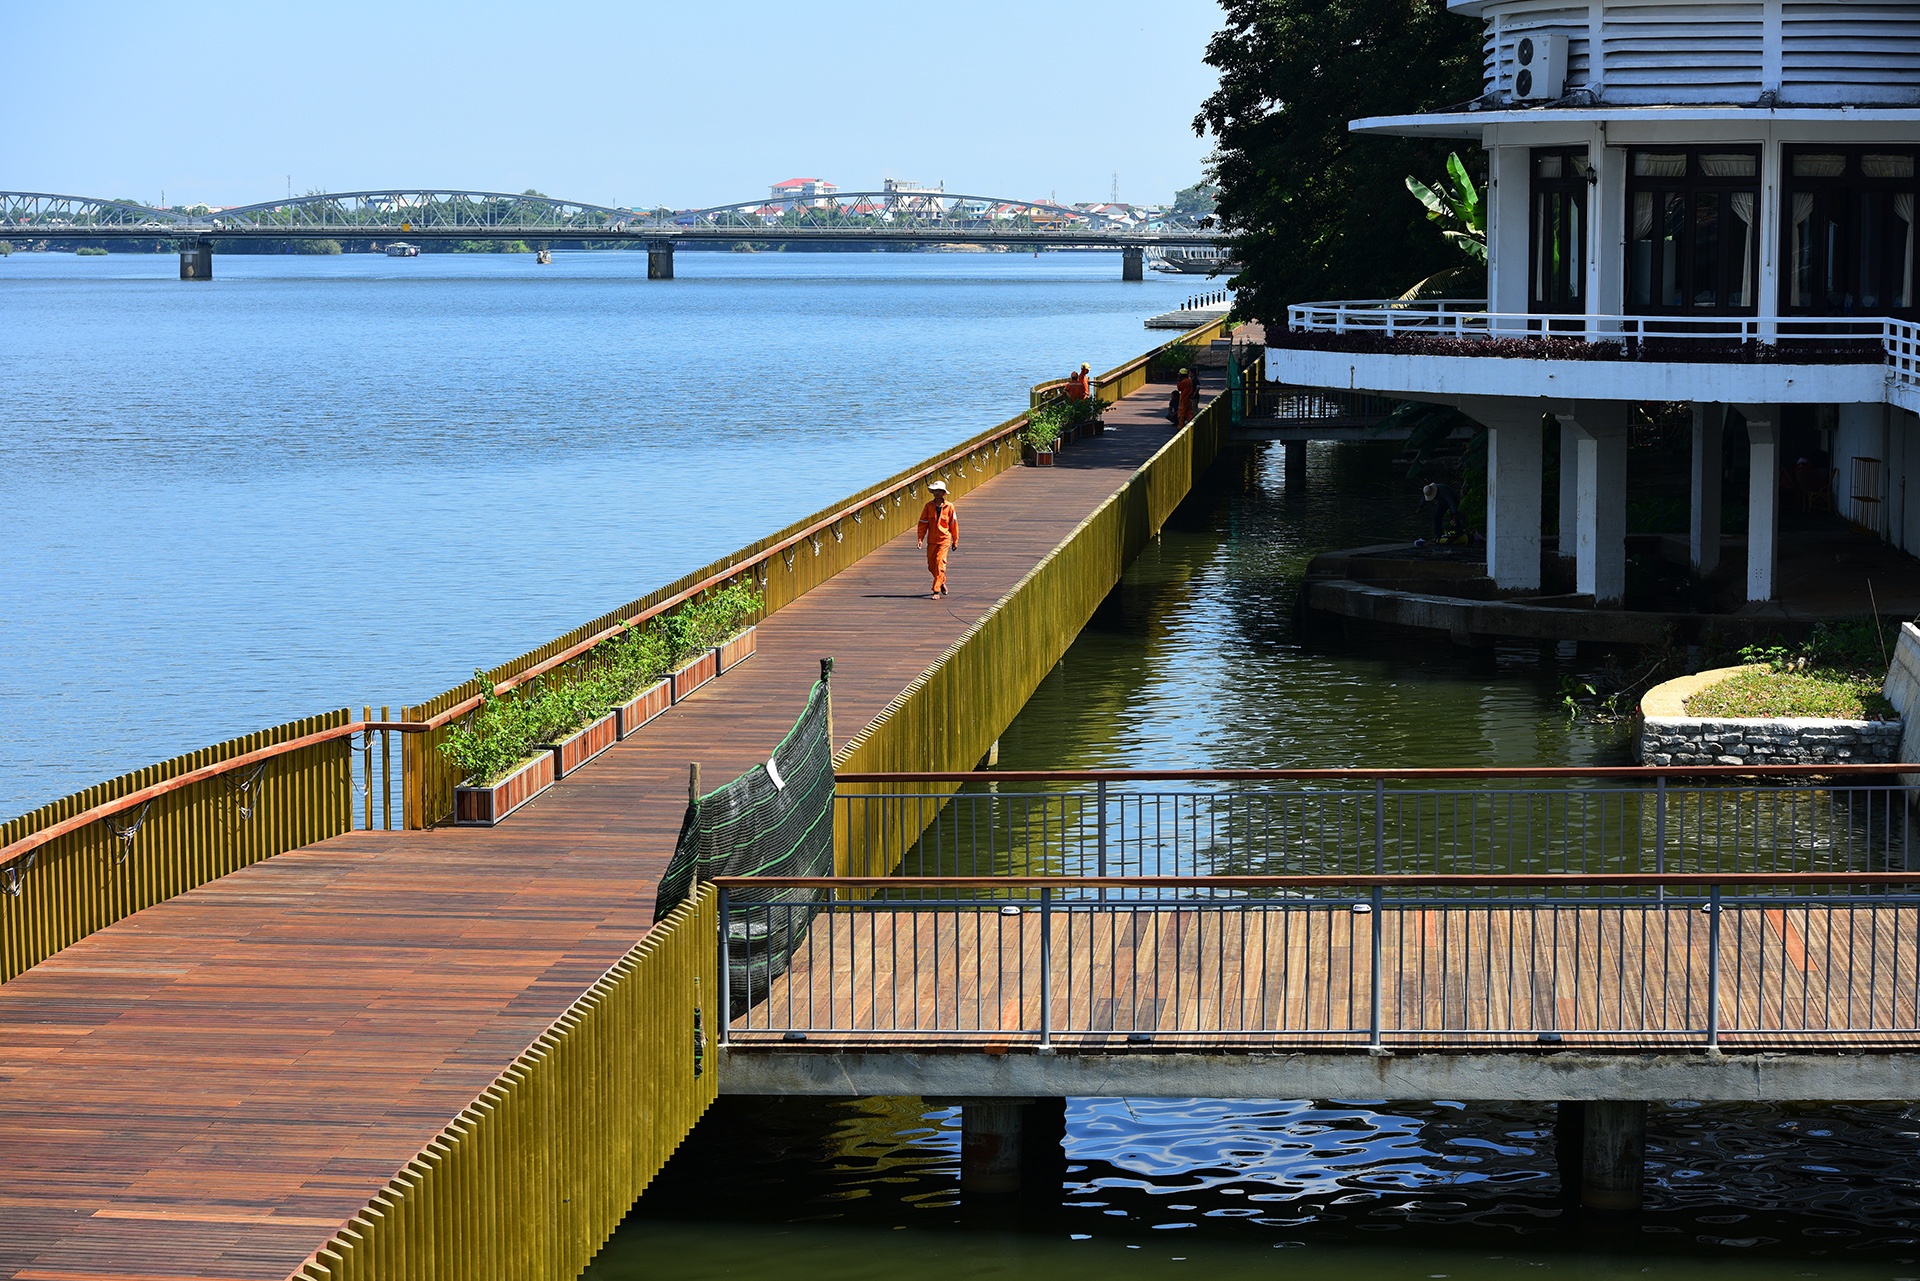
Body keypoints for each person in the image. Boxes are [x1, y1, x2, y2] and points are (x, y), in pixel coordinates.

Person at [917, 479, 960, 597]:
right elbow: (923, 523)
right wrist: (920, 539)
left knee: (940, 563)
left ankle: (936, 590)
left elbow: (953, 524)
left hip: (944, 539)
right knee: (931, 566)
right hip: (931, 540)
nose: (937, 493)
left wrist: (955, 540)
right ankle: (942, 581)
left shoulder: (950, 507)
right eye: (935, 491)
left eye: (939, 491)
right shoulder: (928, 506)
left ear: (943, 493)